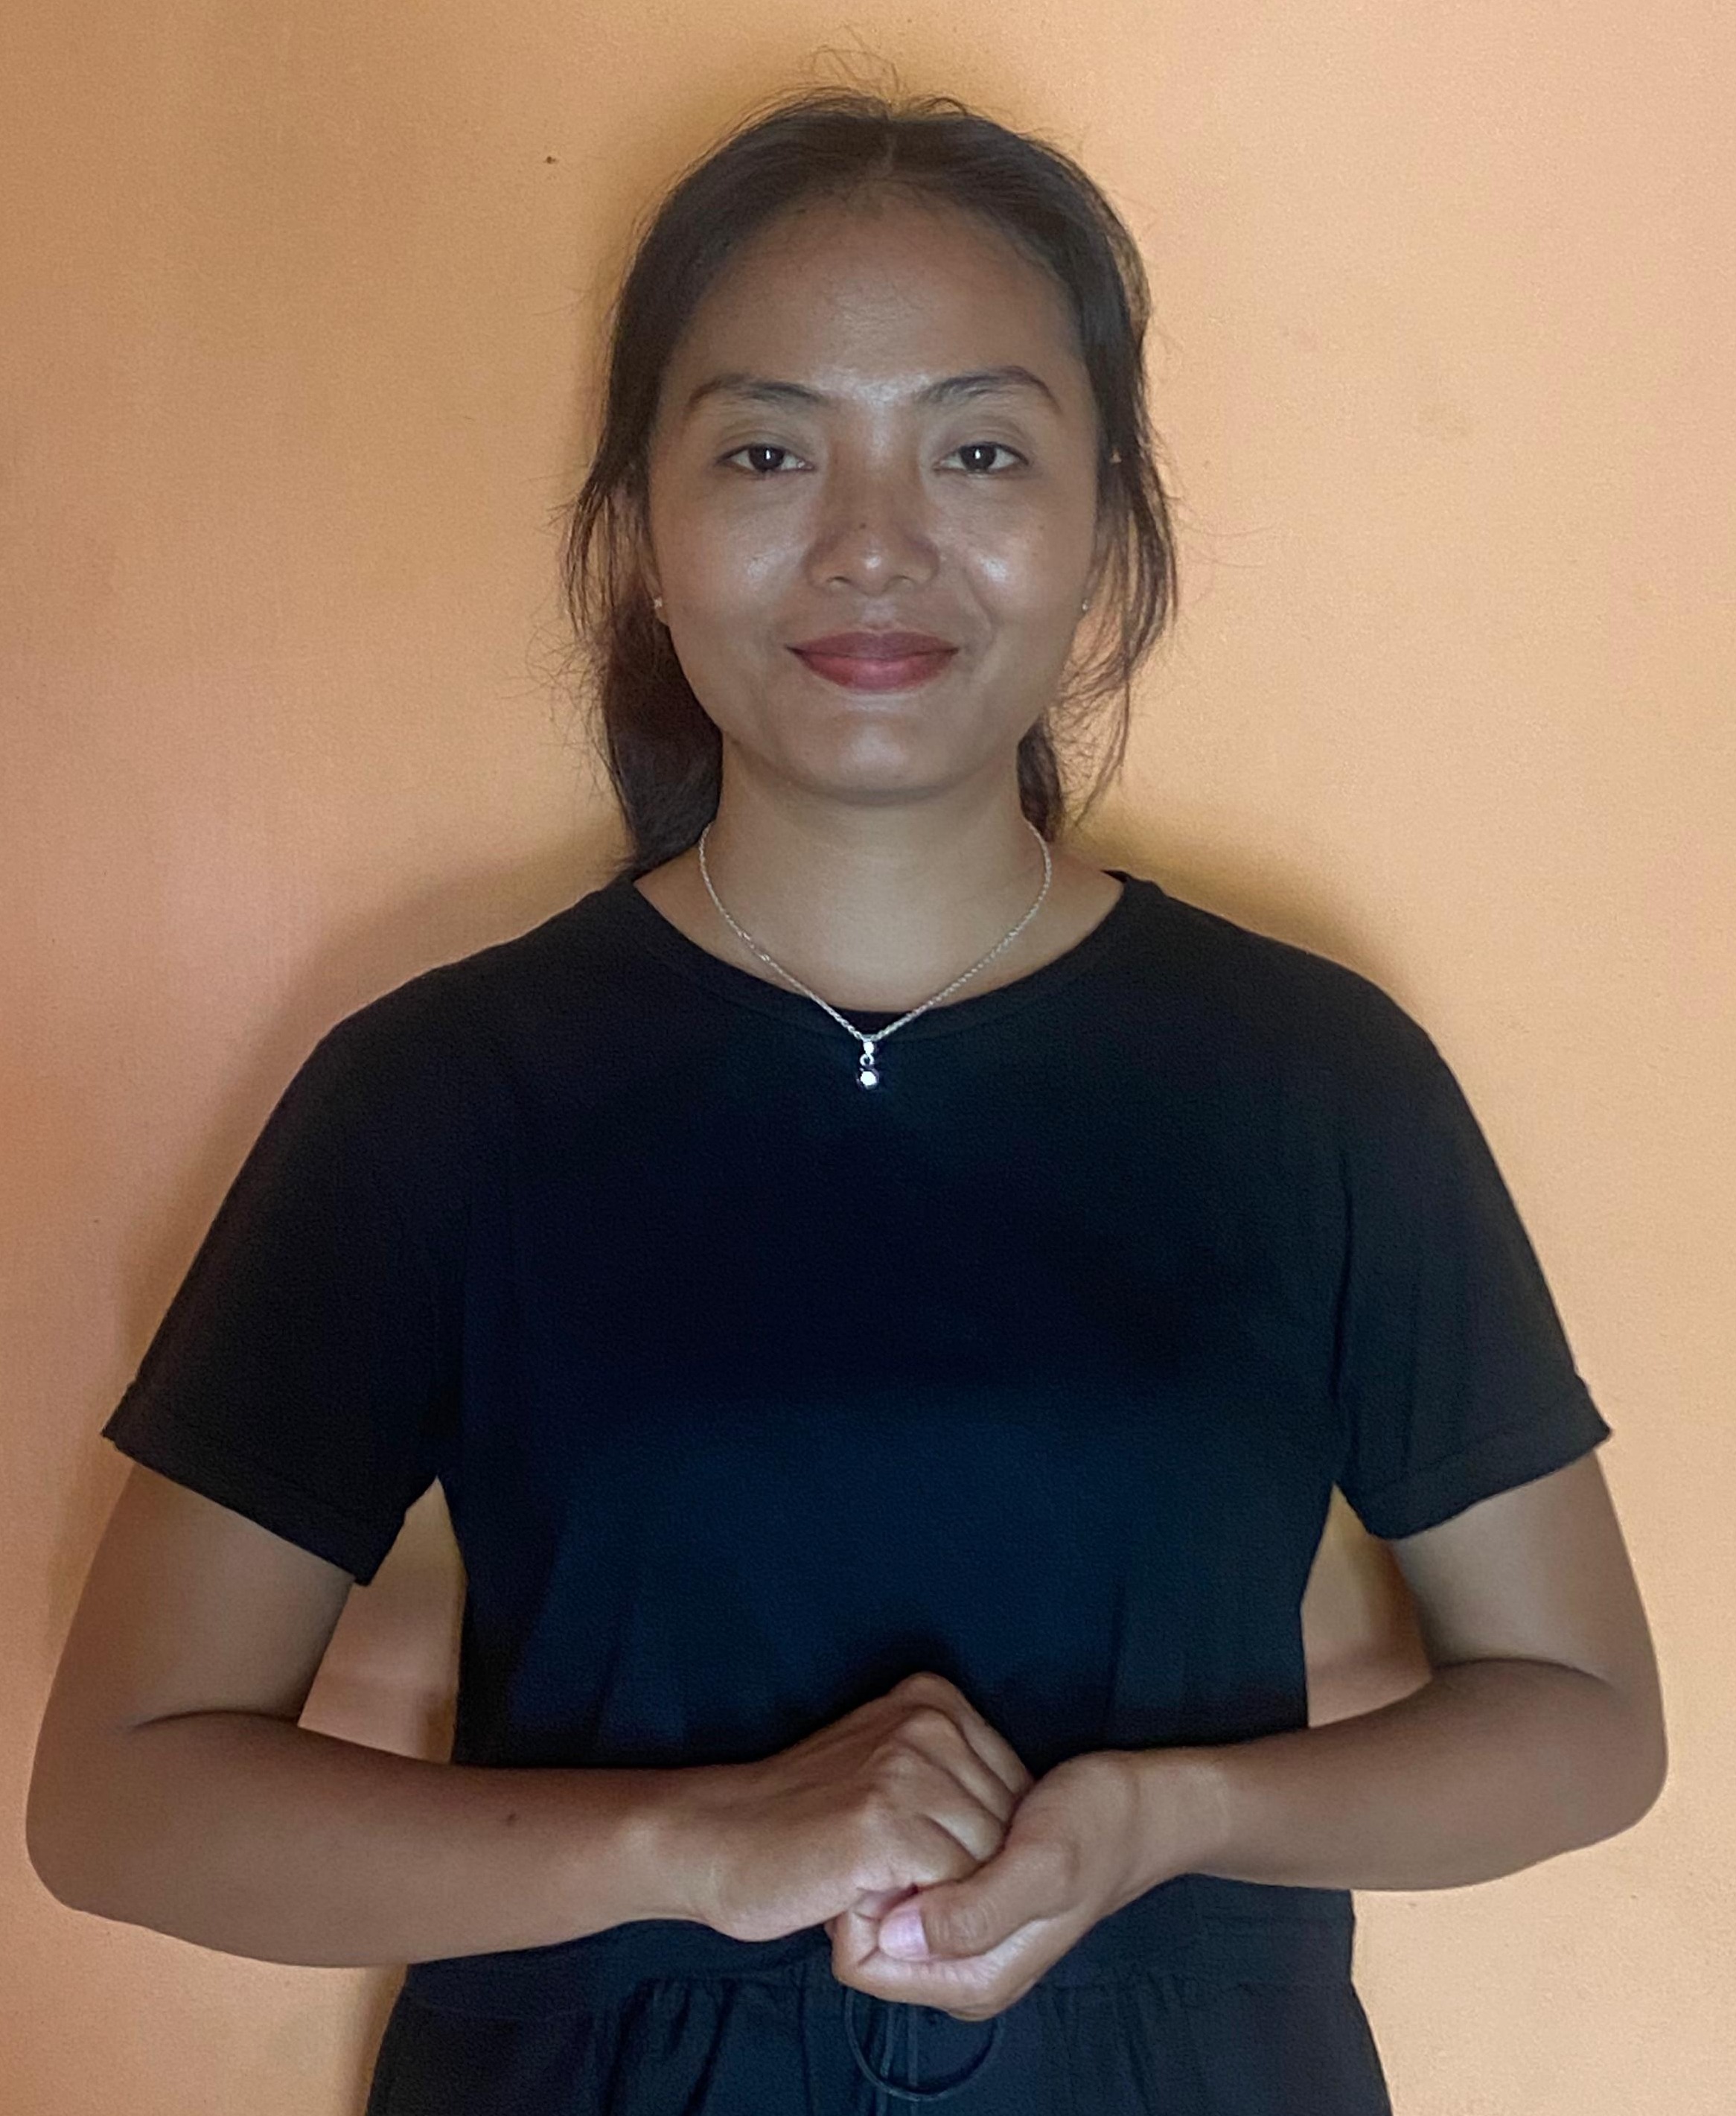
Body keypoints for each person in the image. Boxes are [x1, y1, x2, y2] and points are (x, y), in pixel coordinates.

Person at [26, 82, 1666, 2116]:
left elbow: (1584, 1718)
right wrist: (697, 1843)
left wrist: (1163, 1817)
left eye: (977, 449)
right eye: (766, 450)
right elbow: (121, 1795)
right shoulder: (441, 1099)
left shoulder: (1316, 1082)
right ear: (639, 528)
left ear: (1108, 524)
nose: (872, 545)